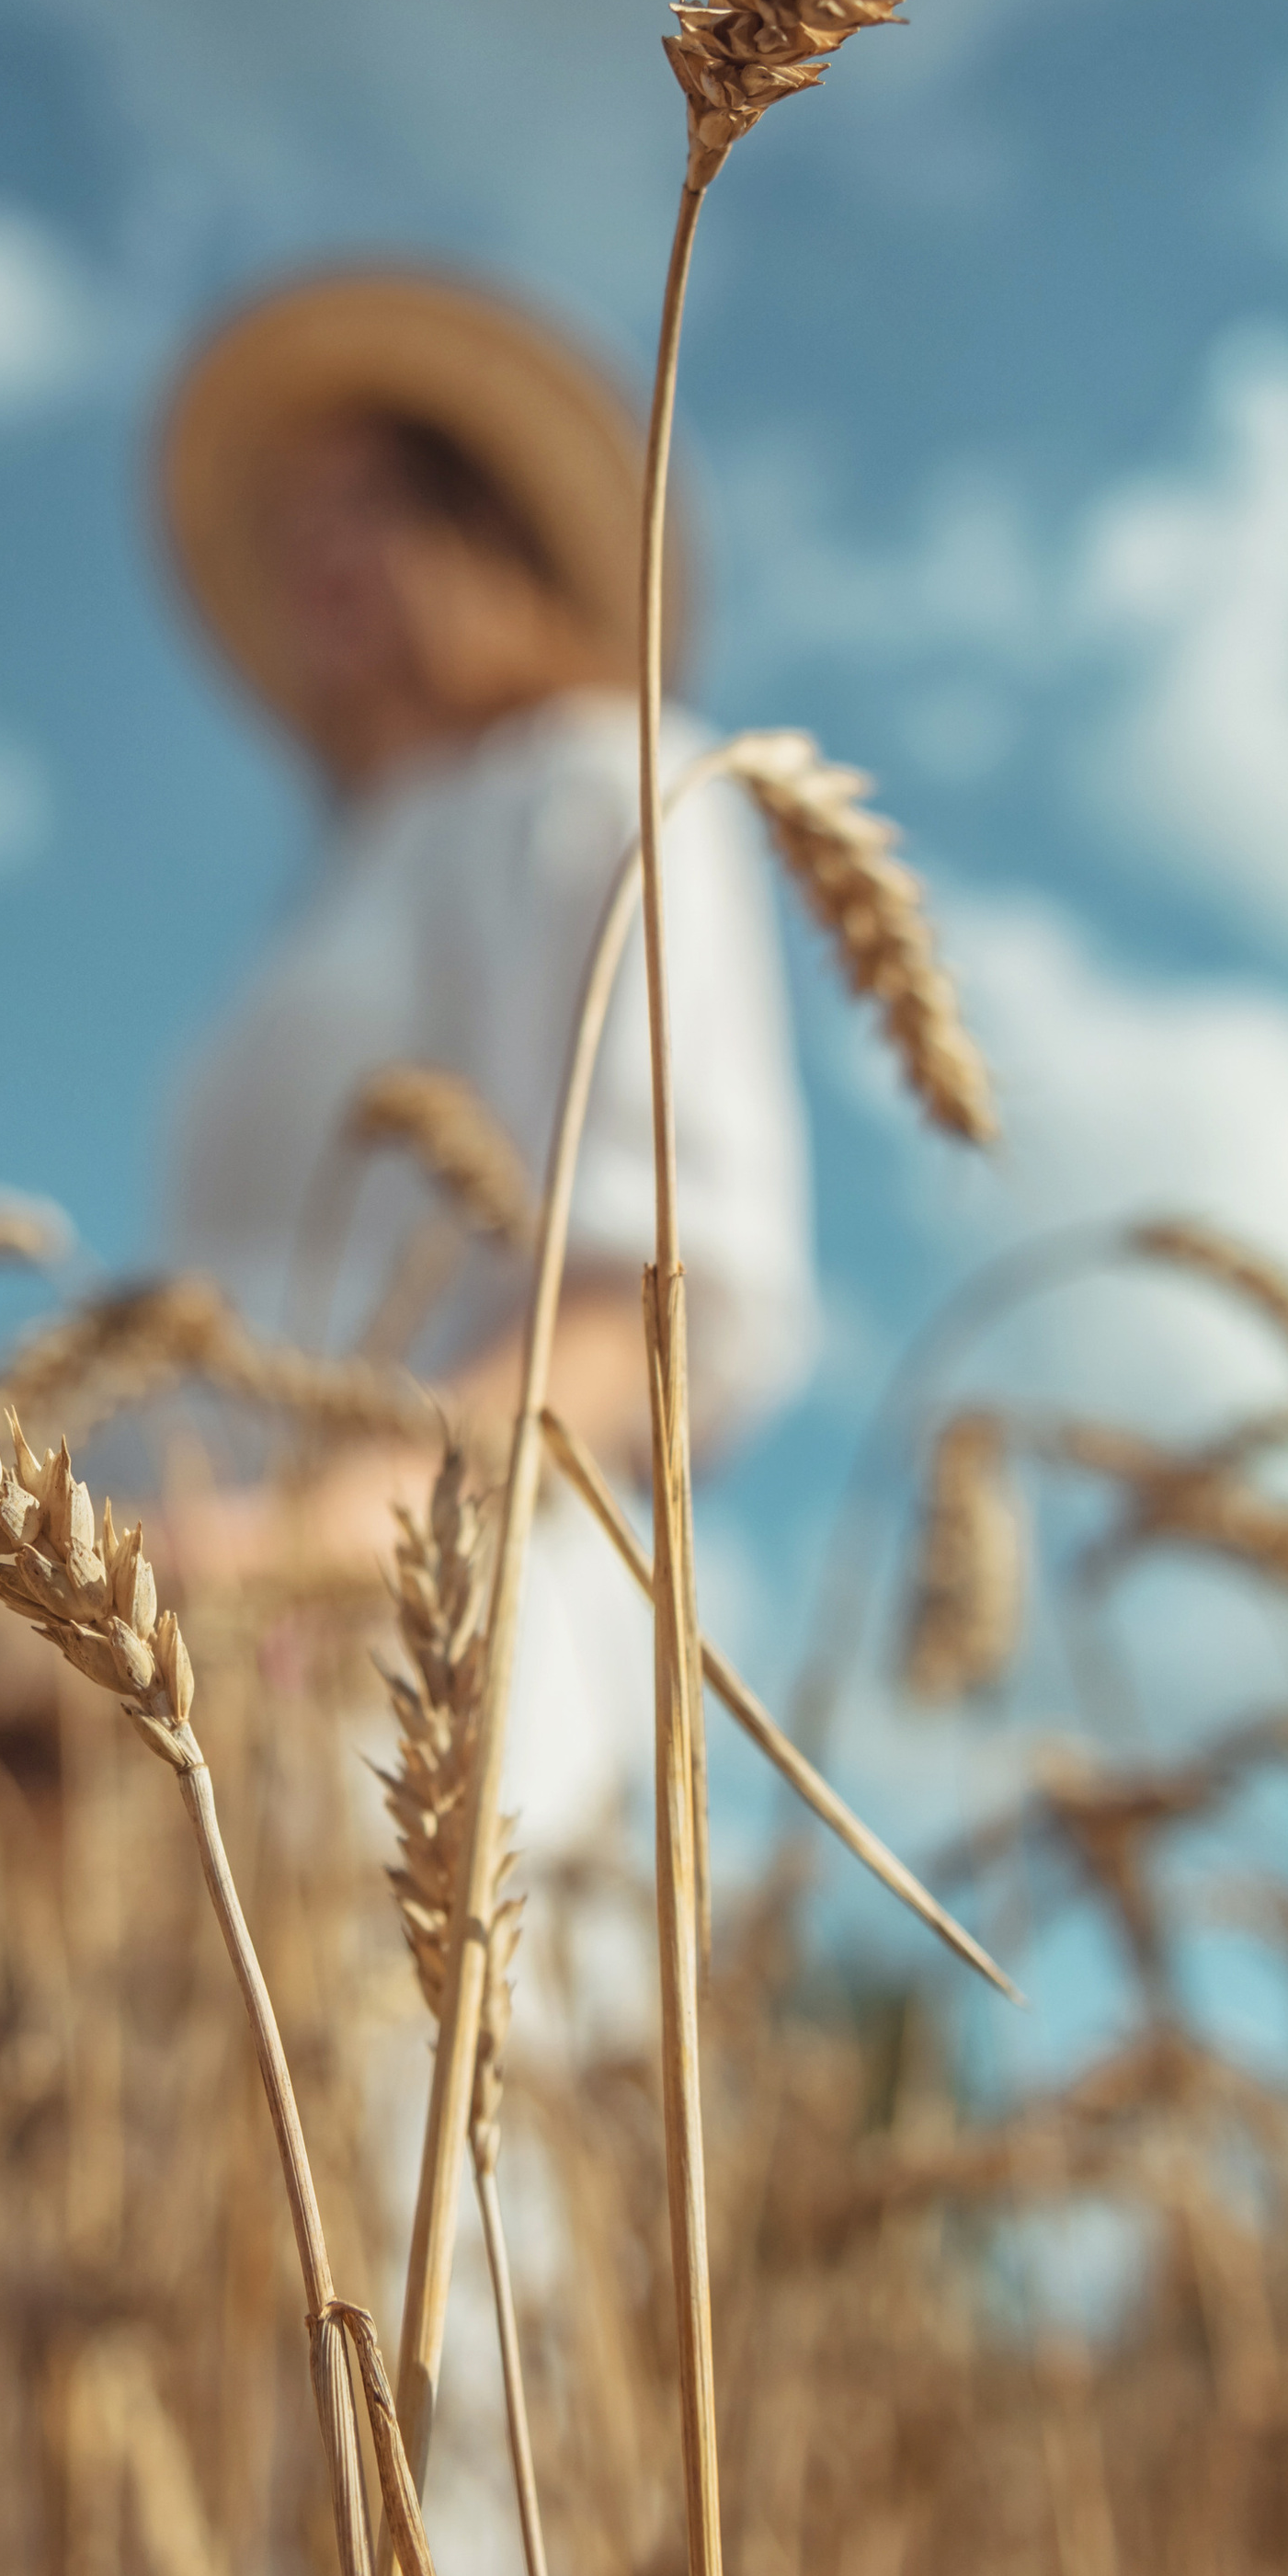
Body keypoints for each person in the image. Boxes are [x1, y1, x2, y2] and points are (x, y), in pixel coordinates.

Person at [149, 261, 814, 1603]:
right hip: (161, 1587)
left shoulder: (593, 783)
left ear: (489, 534)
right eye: (298, 520)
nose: (316, 551)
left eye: (370, 502)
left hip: (406, 1616)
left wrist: (311, 1549)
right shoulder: (348, 879)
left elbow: (646, 1301)